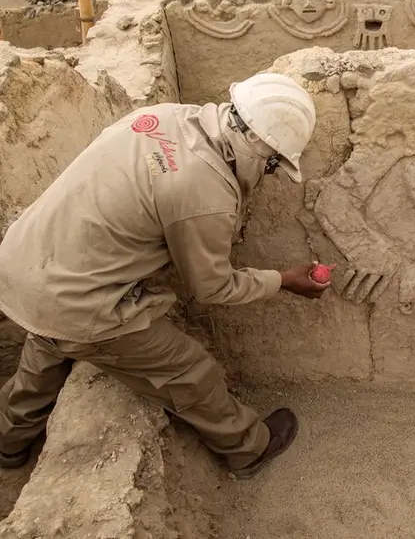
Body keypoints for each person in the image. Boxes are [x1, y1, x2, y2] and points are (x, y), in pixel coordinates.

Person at [0, 72, 330, 479]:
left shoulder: (163, 117)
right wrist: (284, 280)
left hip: (25, 266)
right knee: (188, 368)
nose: (269, 174)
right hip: (75, 300)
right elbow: (212, 286)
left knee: (45, 347)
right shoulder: (204, 192)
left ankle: (9, 441)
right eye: (274, 165)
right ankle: (249, 448)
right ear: (259, 149)